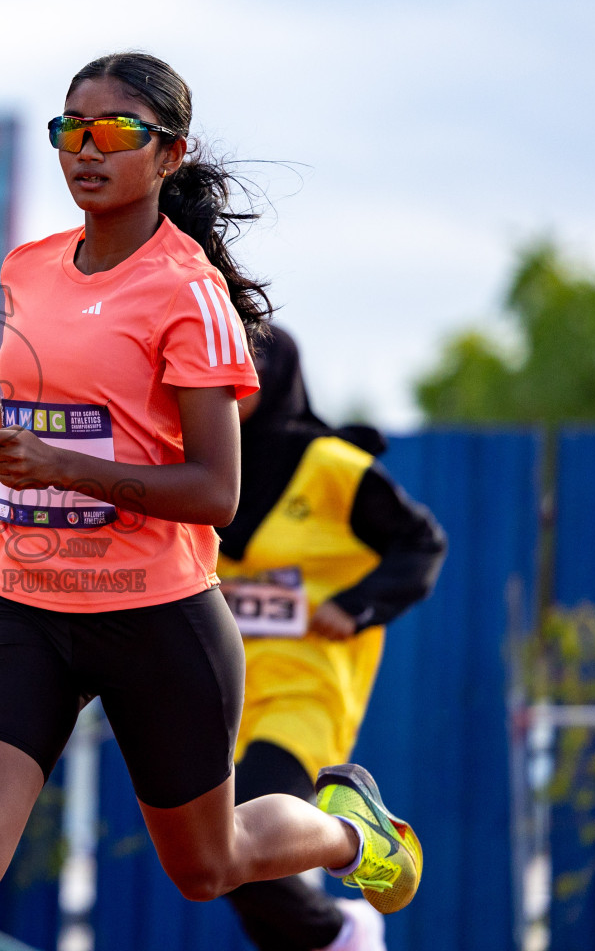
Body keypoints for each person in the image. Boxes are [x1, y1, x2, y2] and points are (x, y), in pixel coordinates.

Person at [0, 52, 422, 951]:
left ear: (170, 154)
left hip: (158, 617)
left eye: (115, 132)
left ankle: (351, 832)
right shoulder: (28, 267)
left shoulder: (190, 292)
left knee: (204, 866)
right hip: (28, 604)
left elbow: (216, 492)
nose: (86, 150)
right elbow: (48, 396)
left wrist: (59, 466)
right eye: (71, 129)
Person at [213, 325, 446, 951]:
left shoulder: (332, 467)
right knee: (215, 866)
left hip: (305, 694)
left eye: (246, 360)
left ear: (279, 373)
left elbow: (422, 543)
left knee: (243, 838)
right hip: (216, 699)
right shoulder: (201, 469)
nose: (227, 370)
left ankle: (349, 914)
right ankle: (330, 939)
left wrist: (356, 602)